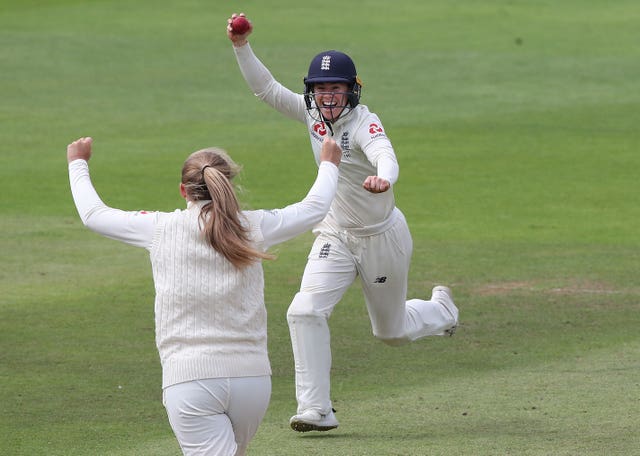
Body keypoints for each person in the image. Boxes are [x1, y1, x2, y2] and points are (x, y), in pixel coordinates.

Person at [226, 13, 460, 434]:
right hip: (335, 233)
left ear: (352, 90)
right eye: (320, 88)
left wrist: (384, 177)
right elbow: (265, 89)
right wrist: (241, 46)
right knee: (303, 310)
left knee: (391, 333)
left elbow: (385, 152)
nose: (327, 96)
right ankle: (317, 409)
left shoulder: (364, 121)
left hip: (381, 237)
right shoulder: (312, 114)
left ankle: (441, 309)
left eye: (335, 88)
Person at [67, 136, 341, 455]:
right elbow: (314, 208)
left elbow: (94, 215)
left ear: (184, 190)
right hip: (252, 381)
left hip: (189, 381)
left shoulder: (159, 228)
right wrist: (329, 164)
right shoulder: (253, 226)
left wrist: (78, 162)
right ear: (229, 185)